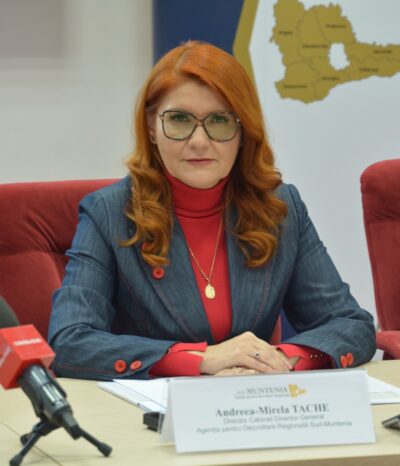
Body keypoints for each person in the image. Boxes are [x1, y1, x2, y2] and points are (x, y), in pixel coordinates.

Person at [48, 41, 375, 380]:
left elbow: (350, 325)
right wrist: (198, 359)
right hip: (154, 409)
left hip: (256, 401)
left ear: (243, 130)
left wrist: (278, 360)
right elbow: (70, 341)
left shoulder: (279, 207)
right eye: (179, 120)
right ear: (151, 127)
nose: (199, 141)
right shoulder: (110, 213)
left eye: (219, 121)